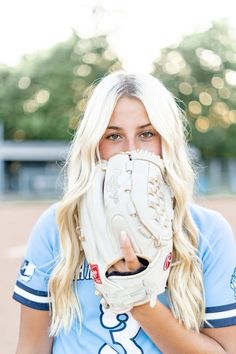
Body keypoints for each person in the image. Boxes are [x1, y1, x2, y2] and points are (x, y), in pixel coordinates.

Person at [13, 71, 236, 354]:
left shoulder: (206, 230)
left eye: (146, 134)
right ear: (95, 145)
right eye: (114, 136)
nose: (131, 151)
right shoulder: (58, 225)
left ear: (167, 140)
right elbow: (31, 347)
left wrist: (137, 297)